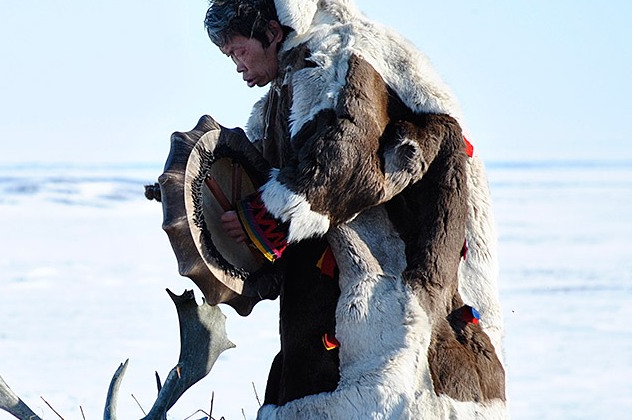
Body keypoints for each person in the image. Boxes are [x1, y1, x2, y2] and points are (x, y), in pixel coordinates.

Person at [204, 0, 508, 418]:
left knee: (394, 390)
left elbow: (346, 155)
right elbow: (266, 169)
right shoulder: (287, 83)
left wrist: (264, 217)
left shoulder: (340, 56)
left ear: (273, 32)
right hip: (335, 298)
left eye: (239, 51)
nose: (237, 66)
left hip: (398, 284)